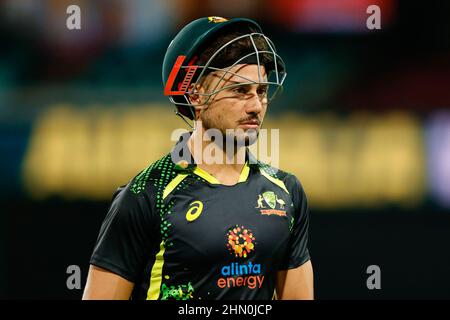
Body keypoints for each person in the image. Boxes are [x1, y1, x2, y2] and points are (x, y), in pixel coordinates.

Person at [82, 16, 313, 300]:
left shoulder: (286, 192)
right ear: (196, 95)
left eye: (261, 92)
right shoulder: (147, 195)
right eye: (240, 91)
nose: (256, 106)